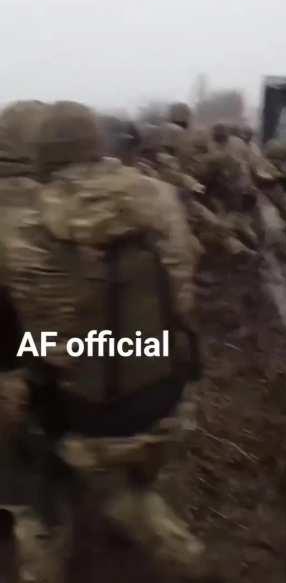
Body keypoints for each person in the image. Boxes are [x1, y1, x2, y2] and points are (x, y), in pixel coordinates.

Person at [1, 101, 211, 582]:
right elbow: (186, 286)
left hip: (89, 419)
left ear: (40, 157)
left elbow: (28, 339)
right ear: (99, 145)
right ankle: (136, 501)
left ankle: (48, 544)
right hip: (172, 397)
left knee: (26, 431)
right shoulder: (159, 197)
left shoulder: (23, 227)